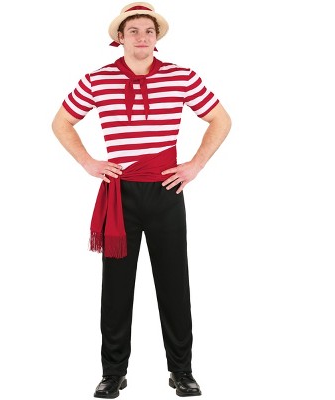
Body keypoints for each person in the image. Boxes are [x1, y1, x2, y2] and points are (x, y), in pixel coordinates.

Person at [52, 2, 231, 397]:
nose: (142, 37)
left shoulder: (182, 77)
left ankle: (181, 371)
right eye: (133, 30)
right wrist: (88, 162)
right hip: (121, 195)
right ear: (120, 37)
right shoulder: (97, 80)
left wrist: (195, 165)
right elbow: (61, 122)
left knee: (174, 284)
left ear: (157, 37)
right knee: (116, 288)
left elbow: (221, 119)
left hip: (166, 191)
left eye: (149, 31)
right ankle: (113, 373)